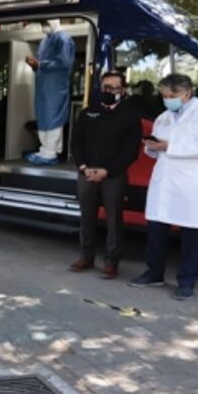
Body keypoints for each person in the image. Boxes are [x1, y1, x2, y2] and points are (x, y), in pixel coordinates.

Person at [128, 74, 198, 300]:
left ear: (187, 93)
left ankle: (187, 281)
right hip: (165, 178)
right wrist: (152, 147)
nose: (167, 99)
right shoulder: (164, 116)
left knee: (190, 233)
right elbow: (155, 149)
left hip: (191, 181)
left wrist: (169, 146)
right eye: (164, 95)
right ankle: (154, 273)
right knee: (156, 229)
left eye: (172, 96)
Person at [69, 71, 143, 279]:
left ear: (123, 90)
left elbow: (131, 151)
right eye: (105, 87)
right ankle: (86, 257)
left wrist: (107, 171)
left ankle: (111, 263)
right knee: (86, 217)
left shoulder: (130, 116)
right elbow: (76, 143)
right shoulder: (88, 113)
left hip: (114, 176)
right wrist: (84, 167)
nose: (108, 91)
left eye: (113, 87)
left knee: (114, 221)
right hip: (87, 173)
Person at [25, 19, 75, 165]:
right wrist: (35, 65)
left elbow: (64, 63)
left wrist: (40, 64)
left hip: (56, 88)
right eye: (41, 24)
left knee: (53, 118)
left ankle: (50, 152)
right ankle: (44, 150)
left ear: (53, 22)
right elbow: (41, 65)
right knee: (43, 118)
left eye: (44, 24)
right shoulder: (44, 42)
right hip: (43, 87)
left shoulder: (64, 39)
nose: (43, 28)